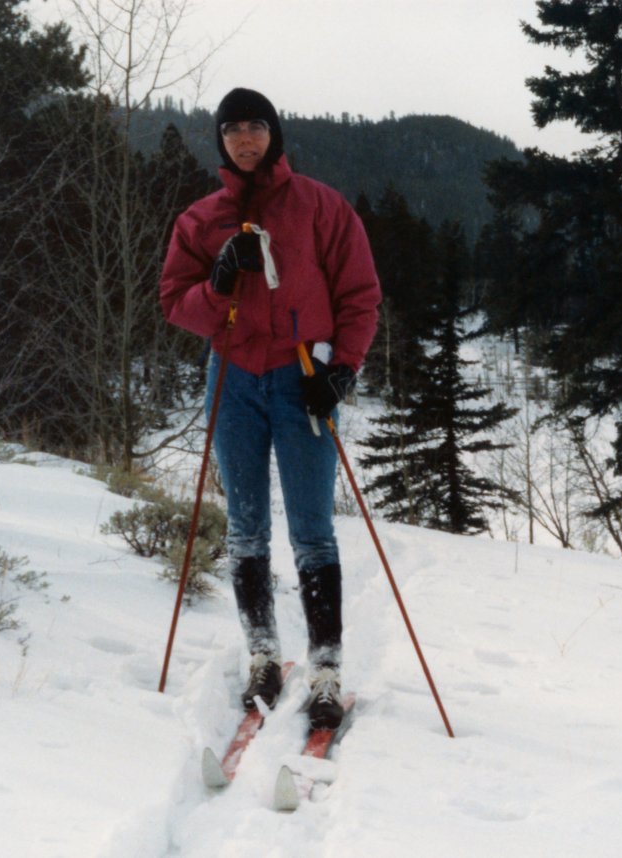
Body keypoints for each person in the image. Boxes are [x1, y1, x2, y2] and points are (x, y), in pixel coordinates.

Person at [160, 88, 381, 729]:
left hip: (301, 375)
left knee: (312, 527)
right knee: (245, 525)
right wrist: (219, 283)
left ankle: (327, 666)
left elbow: (360, 293)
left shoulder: (320, 205)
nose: (245, 139)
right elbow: (176, 301)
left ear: (273, 133)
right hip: (232, 376)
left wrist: (341, 368)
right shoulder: (202, 219)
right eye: (232, 130)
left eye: (255, 127)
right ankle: (261, 653)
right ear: (221, 141)